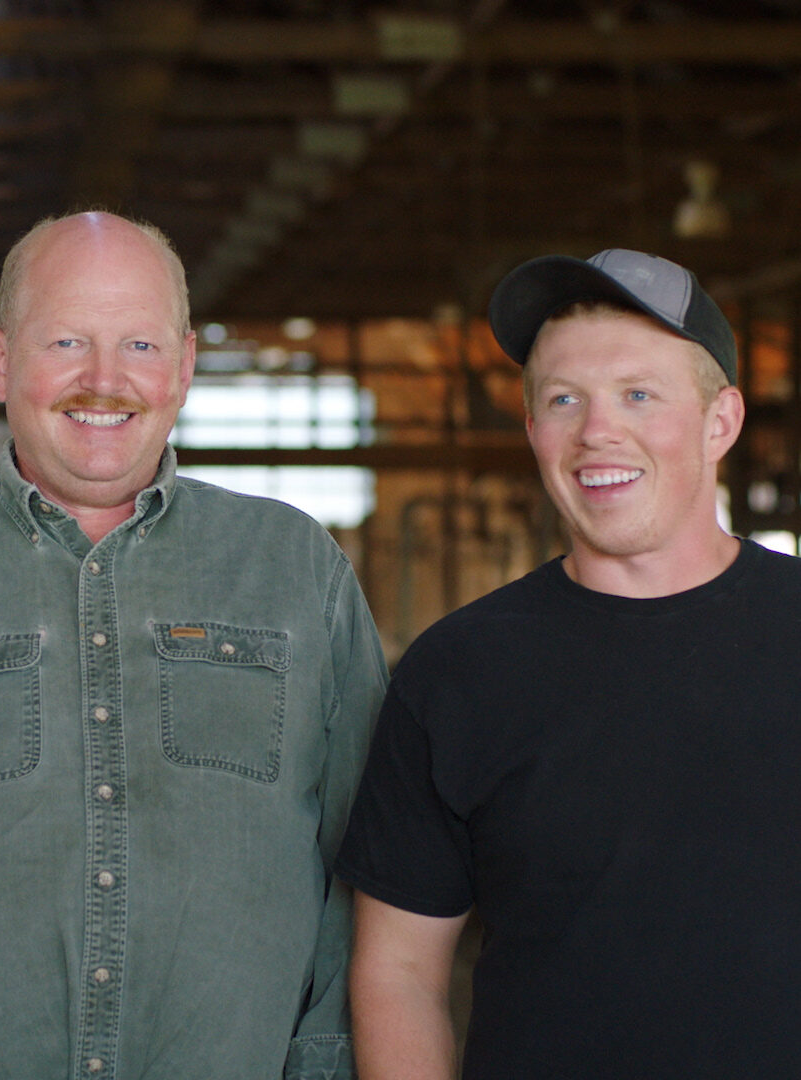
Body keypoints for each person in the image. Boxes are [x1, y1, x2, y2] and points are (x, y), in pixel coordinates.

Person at [0, 210, 388, 1080]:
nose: (104, 380)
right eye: (65, 341)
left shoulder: (295, 572)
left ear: (187, 364)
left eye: (140, 344)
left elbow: (368, 864)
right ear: (0, 359)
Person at [336, 249, 801, 1078]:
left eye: (638, 395)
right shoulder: (458, 672)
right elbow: (399, 972)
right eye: (563, 400)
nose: (597, 431)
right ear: (533, 431)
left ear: (720, 422)